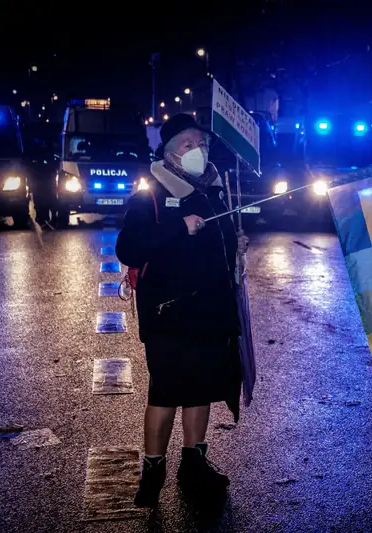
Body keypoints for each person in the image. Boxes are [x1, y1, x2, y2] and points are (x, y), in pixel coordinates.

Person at [116, 113, 249, 507]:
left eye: (201, 143)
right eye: (188, 144)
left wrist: (236, 246)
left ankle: (193, 465)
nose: (198, 150)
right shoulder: (152, 193)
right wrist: (179, 227)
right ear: (170, 153)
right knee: (167, 392)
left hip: (210, 311)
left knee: (202, 390)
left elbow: (219, 244)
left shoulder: (213, 190)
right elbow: (129, 248)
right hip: (169, 315)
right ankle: (152, 472)